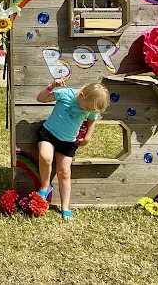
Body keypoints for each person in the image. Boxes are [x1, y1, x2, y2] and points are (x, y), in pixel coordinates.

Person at [35, 80, 110, 220]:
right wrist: (52, 86)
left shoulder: (90, 108)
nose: (87, 111)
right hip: (49, 133)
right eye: (87, 108)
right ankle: (45, 186)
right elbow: (40, 99)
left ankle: (65, 206)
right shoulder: (65, 94)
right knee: (45, 157)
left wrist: (87, 137)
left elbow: (91, 121)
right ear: (81, 95)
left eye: (90, 110)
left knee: (64, 172)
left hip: (68, 142)